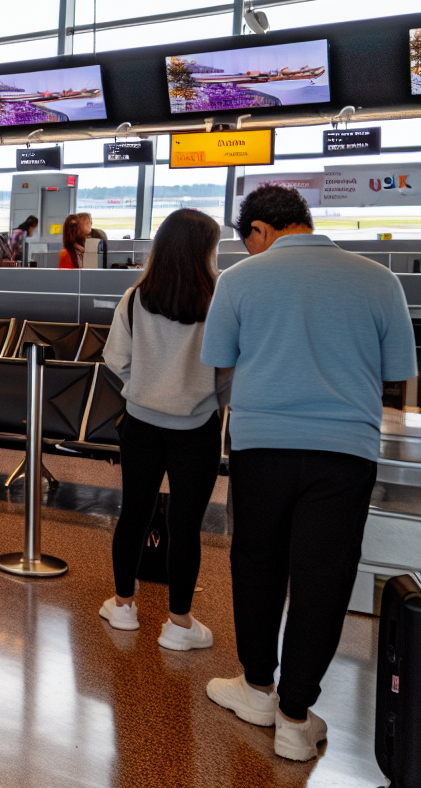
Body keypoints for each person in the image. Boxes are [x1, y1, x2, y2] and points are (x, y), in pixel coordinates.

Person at [201, 185, 415, 763]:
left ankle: (255, 688)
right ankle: (296, 717)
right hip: (345, 450)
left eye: (248, 241)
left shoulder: (239, 281)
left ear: (261, 231)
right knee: (324, 578)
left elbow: (219, 359)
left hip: (260, 445)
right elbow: (398, 372)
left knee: (256, 563)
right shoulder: (379, 280)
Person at [98, 209, 227, 652]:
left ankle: (123, 606)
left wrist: (142, 388)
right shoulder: (218, 301)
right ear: (204, 252)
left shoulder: (136, 297)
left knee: (134, 513)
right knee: (185, 526)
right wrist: (205, 394)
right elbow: (229, 369)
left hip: (141, 424)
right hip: (197, 429)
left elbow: (115, 359)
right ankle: (179, 623)